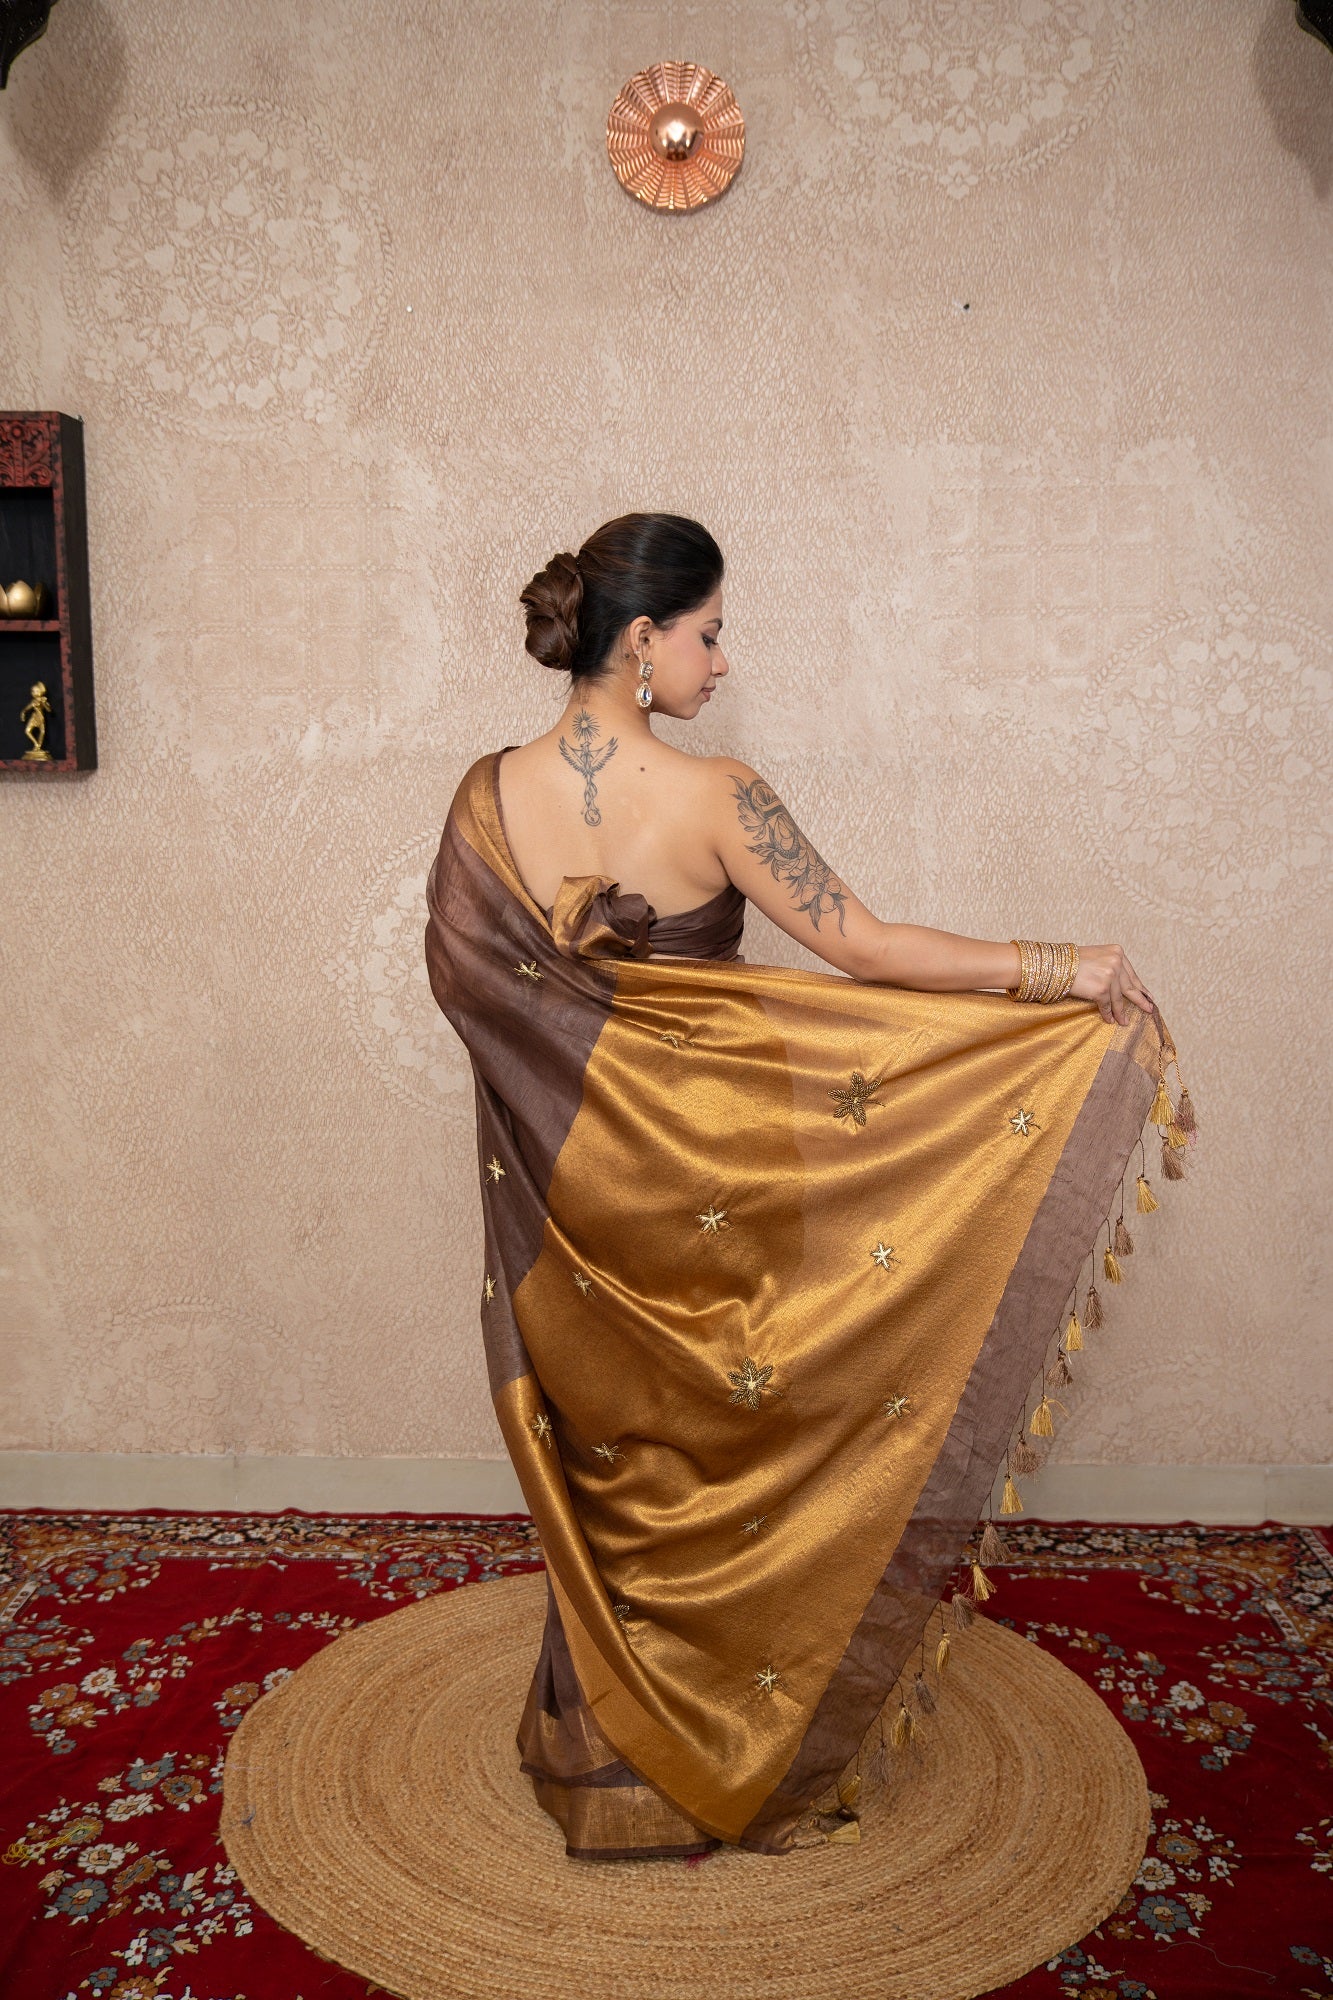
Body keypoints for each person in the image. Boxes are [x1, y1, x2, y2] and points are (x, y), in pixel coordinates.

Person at [423, 512, 1192, 1860]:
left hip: (574, 1194)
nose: (720, 663)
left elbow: (465, 989)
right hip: (723, 1173)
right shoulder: (719, 796)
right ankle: (732, 1727)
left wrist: (588, 1061)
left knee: (617, 1447)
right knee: (735, 1433)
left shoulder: (484, 799)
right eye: (708, 634)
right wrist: (1059, 969)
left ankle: (609, 1744)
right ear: (642, 637)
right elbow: (871, 951)